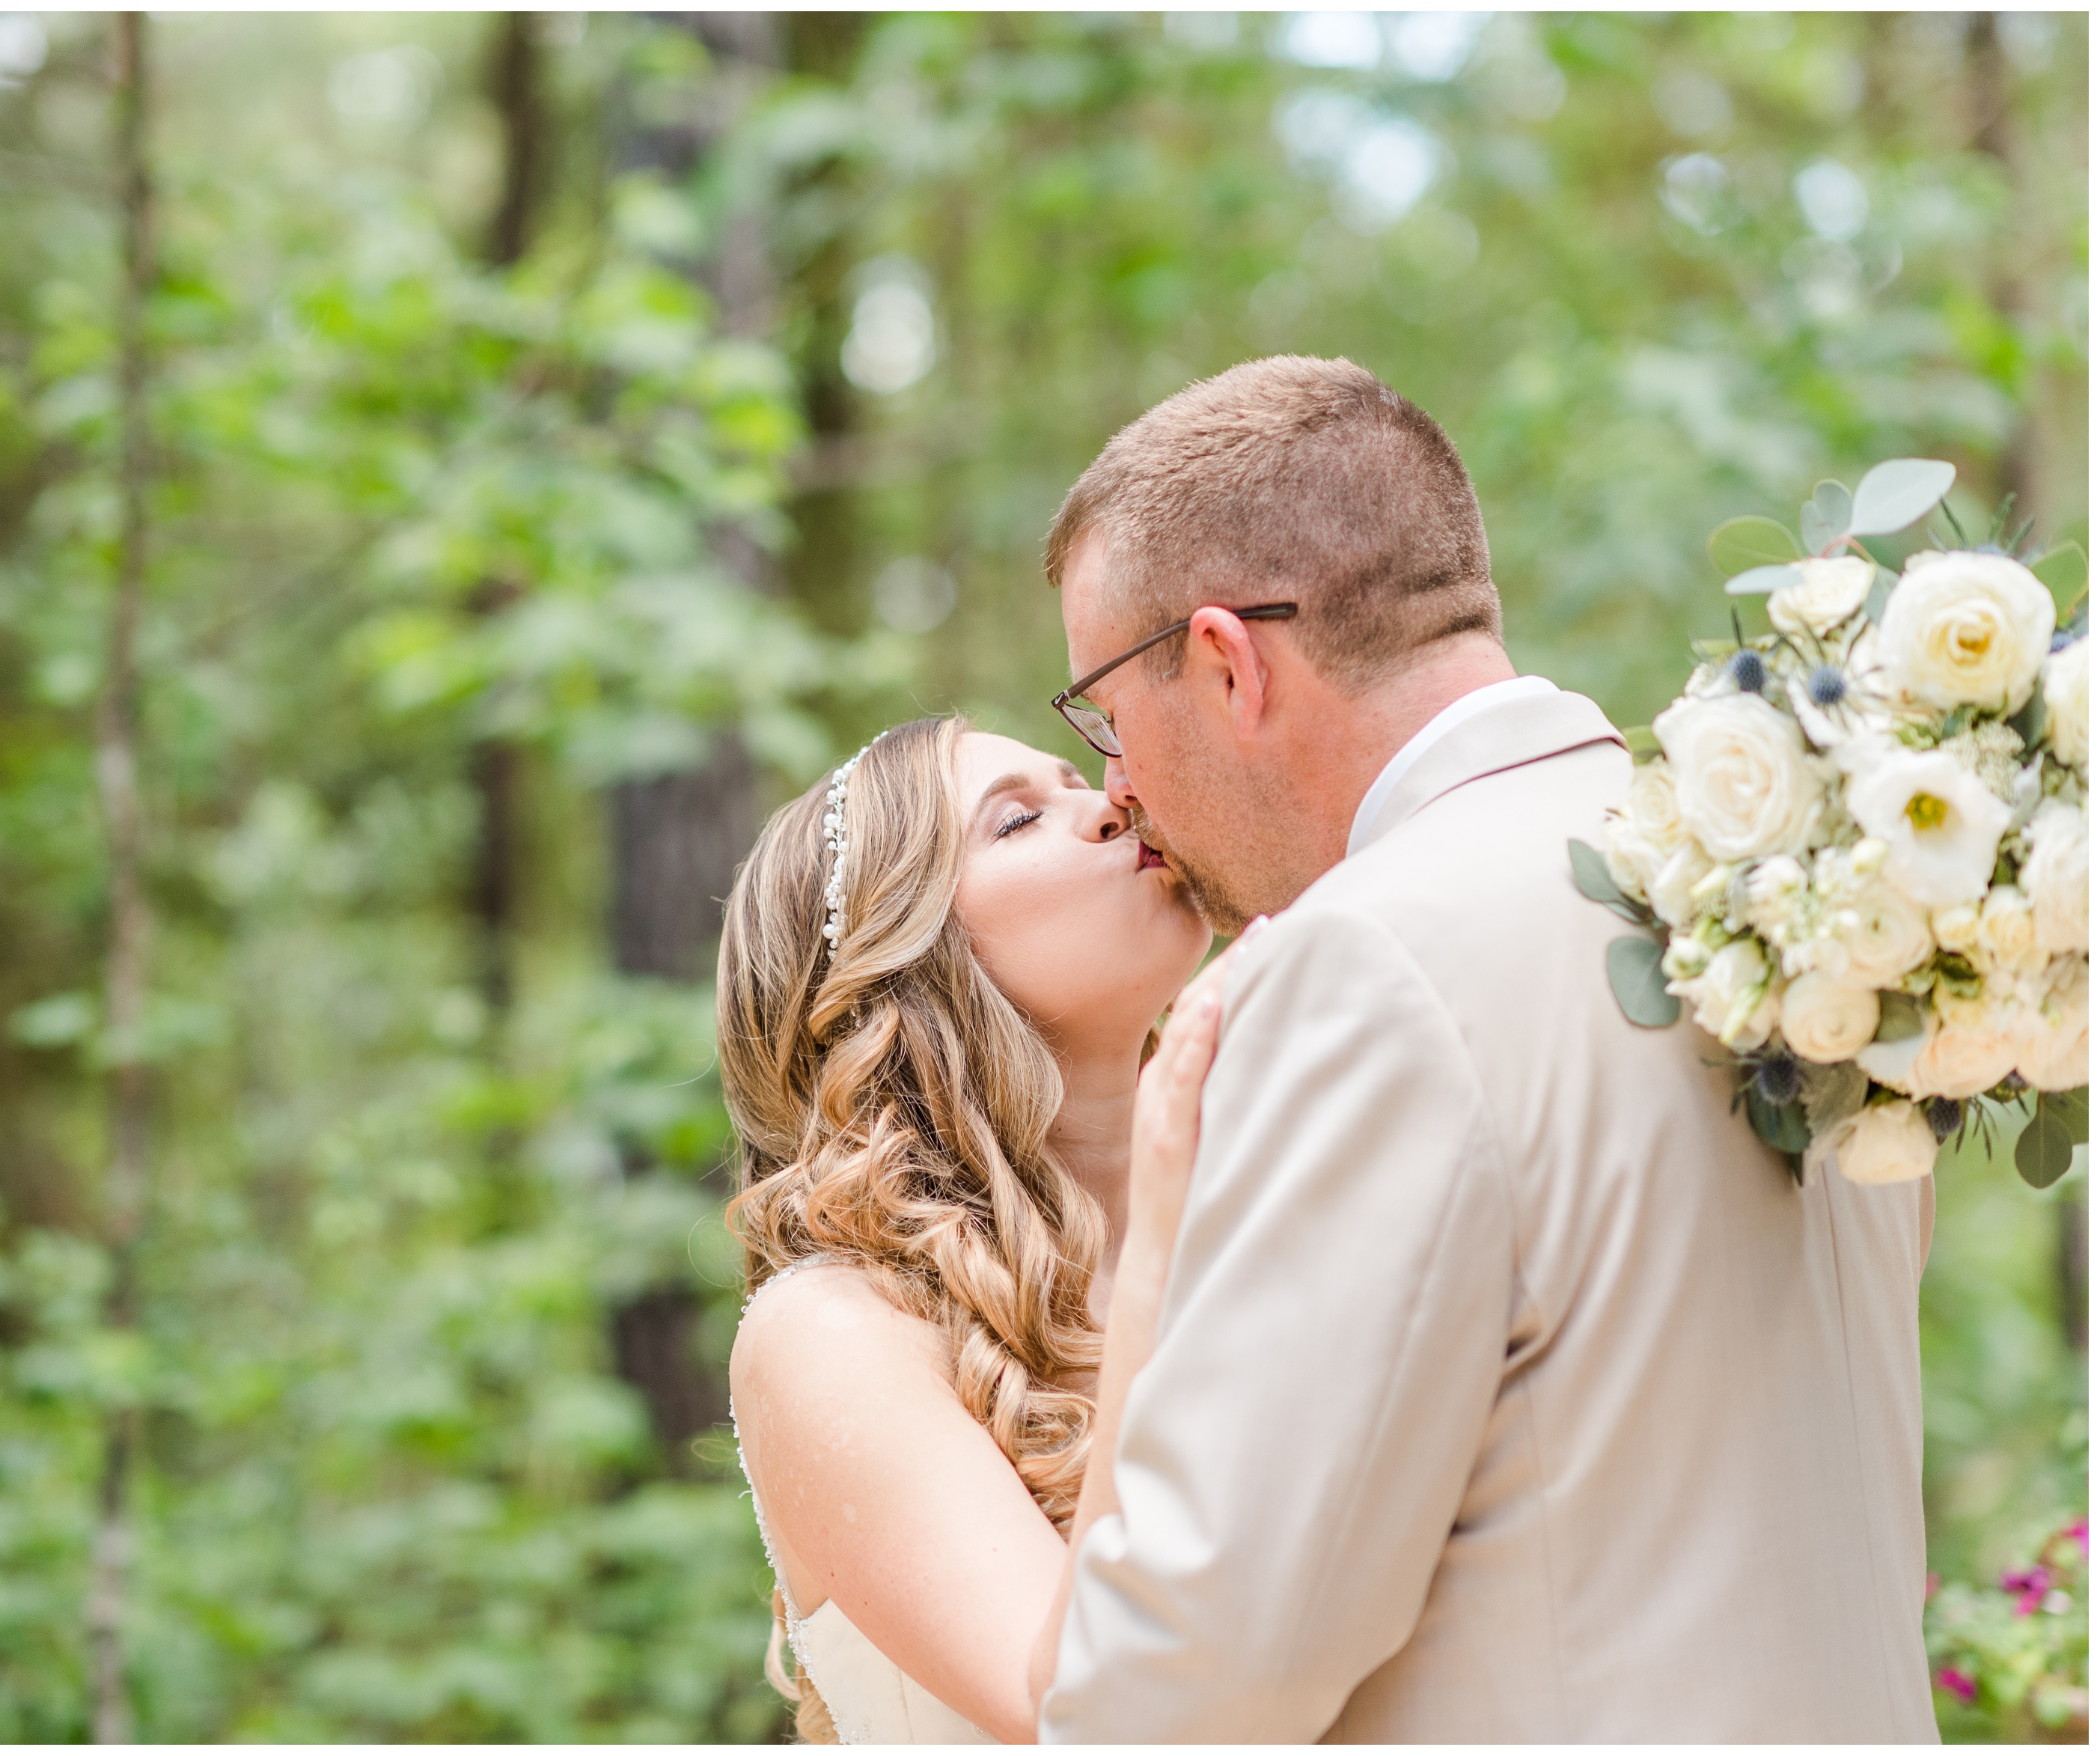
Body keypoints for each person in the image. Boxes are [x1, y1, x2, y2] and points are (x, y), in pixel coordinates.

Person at [1030, 356, 1935, 1741]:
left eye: (1105, 707)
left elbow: (1193, 1683)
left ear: (1225, 661)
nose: (1118, 783)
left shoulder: (1368, 965)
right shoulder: (1774, 899)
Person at [717, 713, 1245, 1743]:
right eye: (1017, 821)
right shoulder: (826, 1336)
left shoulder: (1266, 1217)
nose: (1111, 804)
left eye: (1077, 780)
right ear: (906, 959)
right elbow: (1085, 1709)